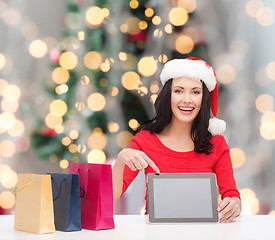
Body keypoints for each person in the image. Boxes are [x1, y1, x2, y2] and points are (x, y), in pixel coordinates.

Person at [112, 57, 242, 223]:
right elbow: (113, 194)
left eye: (195, 92)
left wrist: (234, 205)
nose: (187, 99)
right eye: (179, 91)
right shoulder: (144, 140)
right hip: (156, 234)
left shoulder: (217, 143)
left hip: (203, 233)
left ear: (203, 99)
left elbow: (232, 194)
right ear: (168, 95)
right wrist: (122, 158)